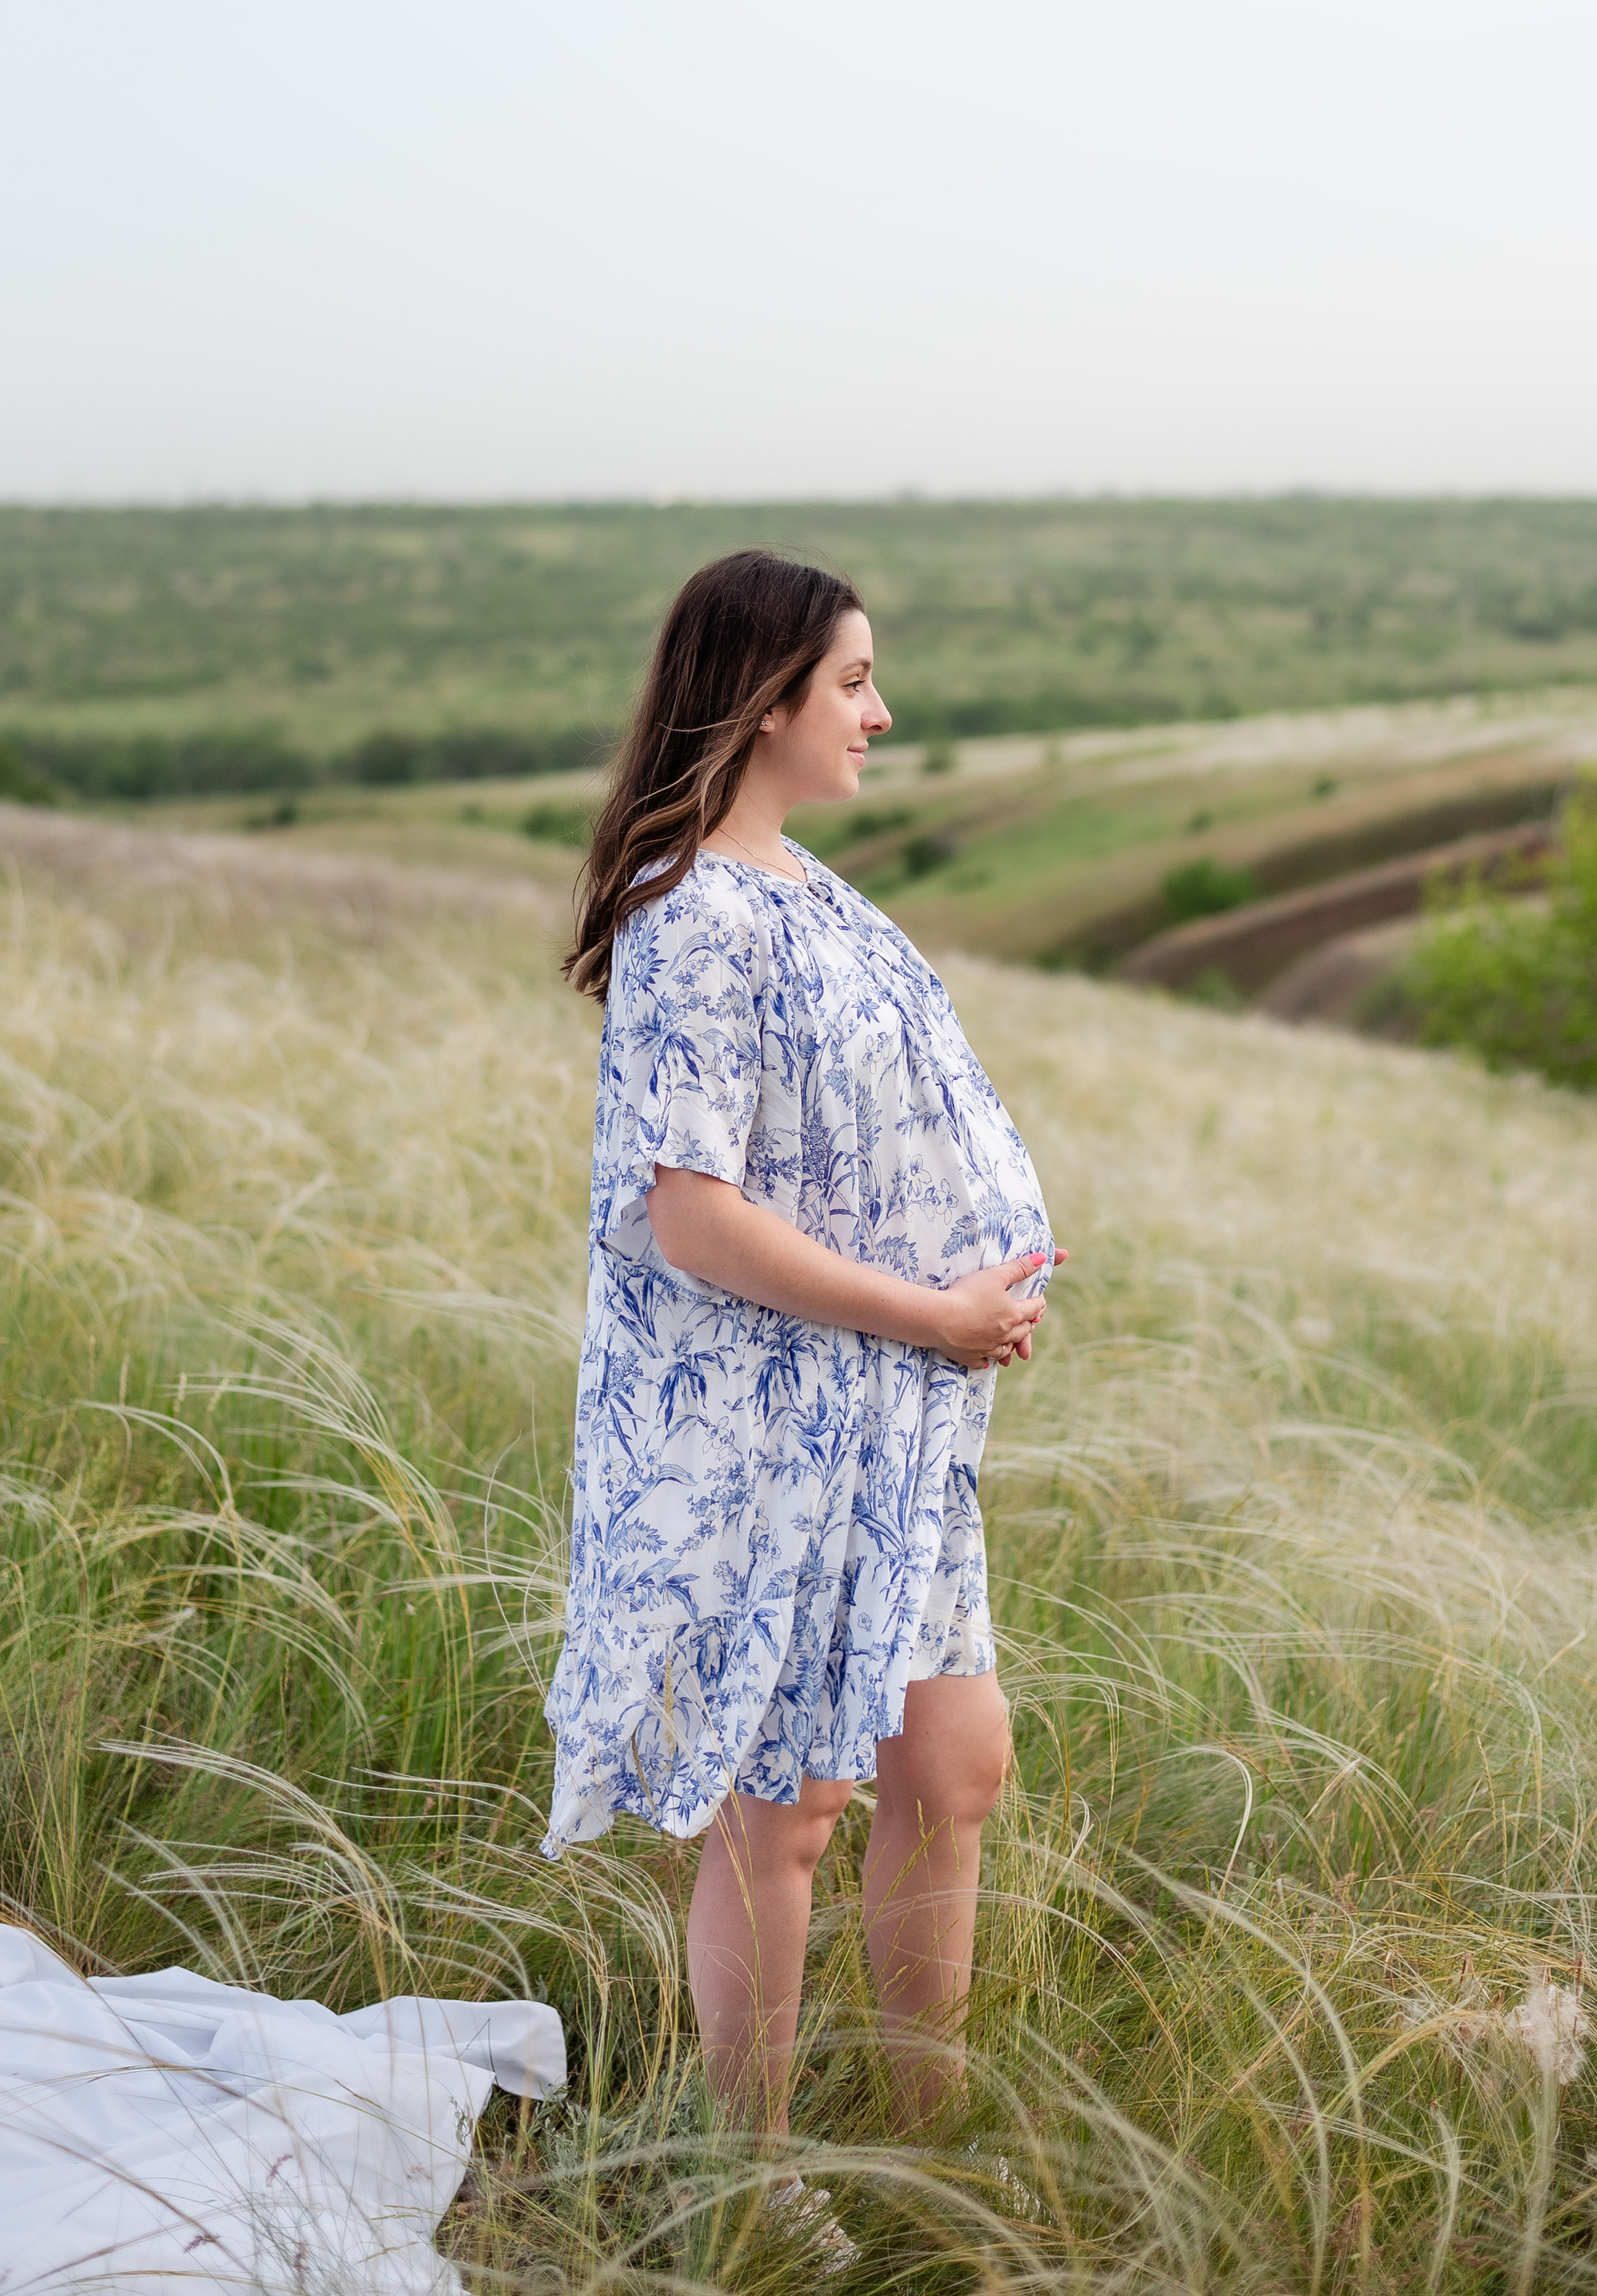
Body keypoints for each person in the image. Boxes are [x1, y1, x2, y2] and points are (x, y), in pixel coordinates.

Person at [543, 547, 1059, 2176]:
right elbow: (687, 1214)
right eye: (851, 681)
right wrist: (930, 1311)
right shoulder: (692, 914)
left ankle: (925, 2150)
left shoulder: (806, 887)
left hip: (893, 1422)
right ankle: (751, 2181)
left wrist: (976, 1299)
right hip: (770, 1432)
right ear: (764, 698)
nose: (880, 712)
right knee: (787, 1807)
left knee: (954, 1764)